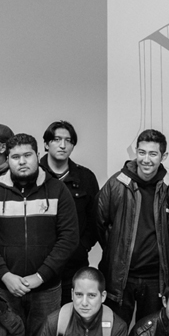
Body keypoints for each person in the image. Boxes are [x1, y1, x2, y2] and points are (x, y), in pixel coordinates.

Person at [0, 133, 80, 336]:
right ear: (7, 160)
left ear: (38, 156)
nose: (22, 162)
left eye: (27, 155)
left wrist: (40, 276)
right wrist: (5, 275)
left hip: (47, 288)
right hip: (6, 287)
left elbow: (68, 238)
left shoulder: (57, 189)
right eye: (15, 157)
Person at [95, 129, 169, 327]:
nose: (146, 159)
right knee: (115, 332)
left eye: (153, 154)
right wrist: (116, 249)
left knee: (150, 335)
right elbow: (99, 222)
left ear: (163, 156)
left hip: (155, 278)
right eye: (142, 152)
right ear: (136, 152)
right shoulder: (116, 184)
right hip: (121, 276)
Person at [42, 121, 101, 284]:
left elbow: (95, 219)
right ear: (46, 144)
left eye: (68, 141)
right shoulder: (33, 175)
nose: (63, 145)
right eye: (57, 139)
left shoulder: (86, 177)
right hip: (38, 265)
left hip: (74, 263)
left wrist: (83, 246)